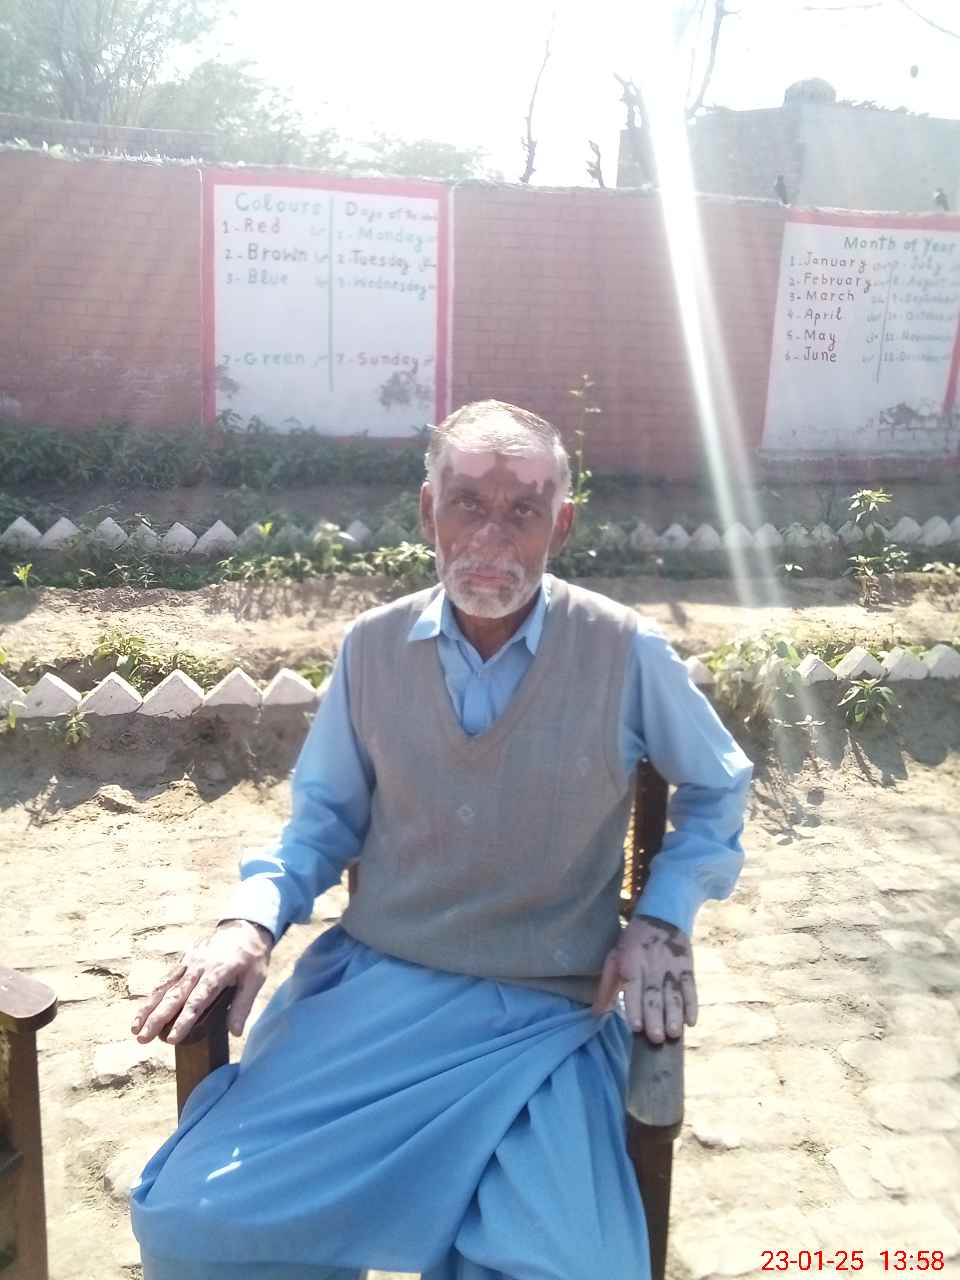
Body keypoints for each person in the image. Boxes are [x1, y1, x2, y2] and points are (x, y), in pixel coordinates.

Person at [130, 400, 752, 1280]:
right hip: (377, 992)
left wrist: (661, 917)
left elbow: (720, 786)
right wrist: (249, 922)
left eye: (523, 510)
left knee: (557, 1269)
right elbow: (320, 823)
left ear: (561, 525)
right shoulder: (372, 648)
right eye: (468, 504)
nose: (492, 536)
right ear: (429, 511)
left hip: (546, 1016)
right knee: (199, 1224)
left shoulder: (624, 649)